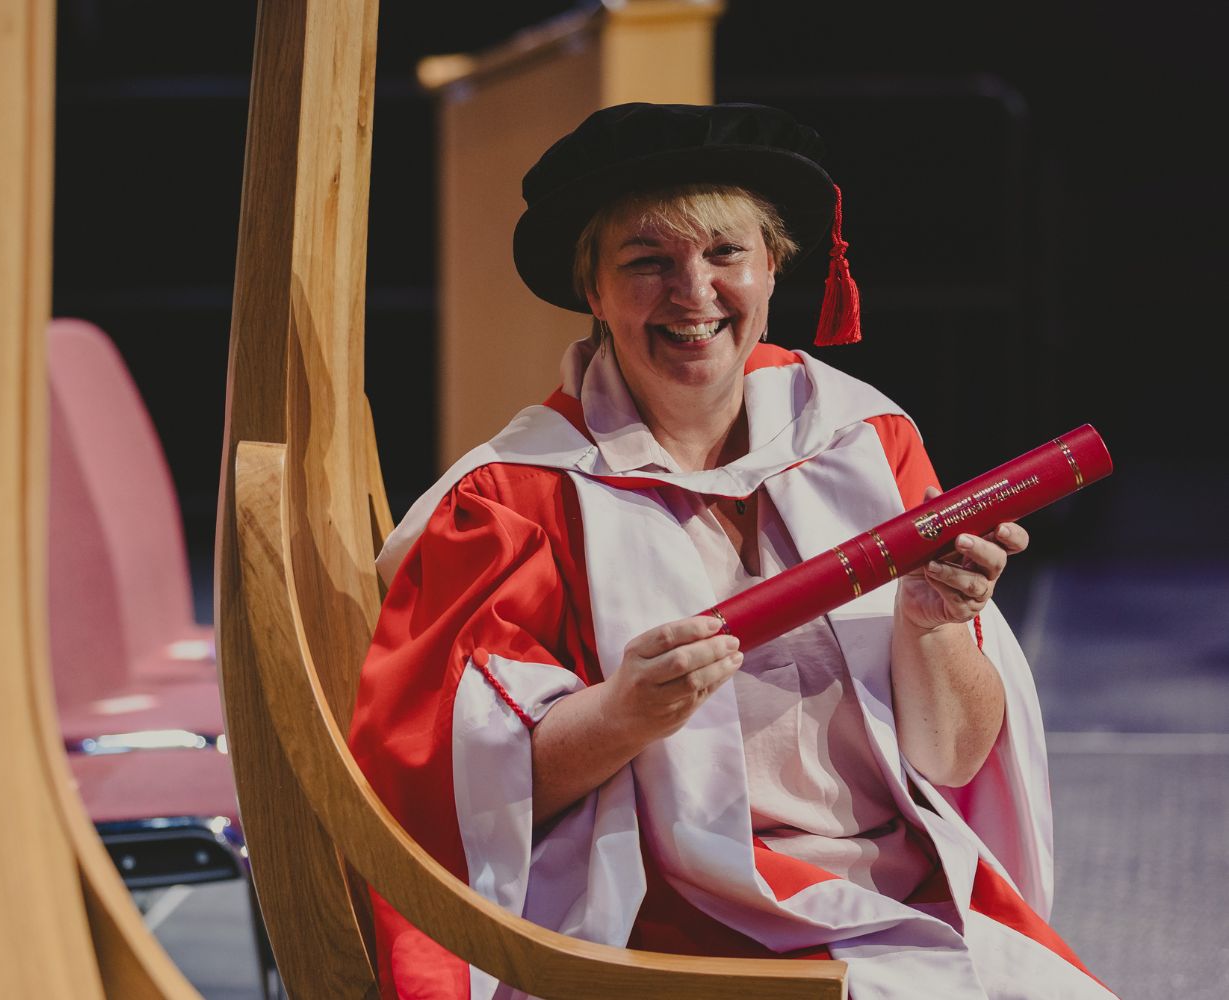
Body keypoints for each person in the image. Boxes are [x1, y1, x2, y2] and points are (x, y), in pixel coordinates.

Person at [349, 102, 1115, 999]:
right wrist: (624, 714)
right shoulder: (515, 499)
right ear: (591, 291)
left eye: (724, 255)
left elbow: (949, 763)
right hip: (670, 913)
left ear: (772, 267)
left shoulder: (861, 439)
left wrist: (935, 623)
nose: (693, 293)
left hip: (897, 891)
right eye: (646, 262)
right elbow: (446, 793)